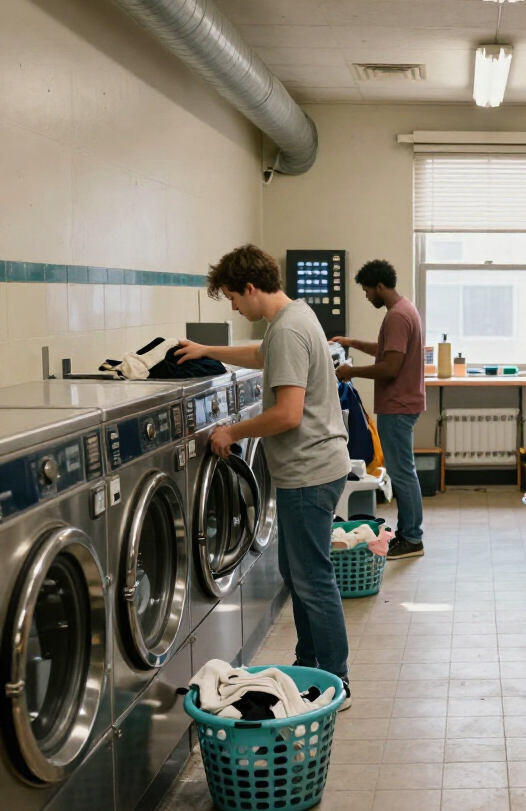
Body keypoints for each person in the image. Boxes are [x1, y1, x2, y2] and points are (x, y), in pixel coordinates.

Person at [174, 244, 354, 705]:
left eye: (235, 297)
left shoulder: (289, 329)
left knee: (311, 578)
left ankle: (337, 678)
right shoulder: (293, 318)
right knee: (301, 575)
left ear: (251, 288)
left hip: (308, 472)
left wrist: (231, 430)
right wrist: (208, 349)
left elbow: (288, 414)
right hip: (314, 467)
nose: (234, 306)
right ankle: (312, 665)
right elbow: (262, 354)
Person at [332, 259, 426, 560]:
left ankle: (412, 538)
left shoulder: (397, 317)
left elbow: (391, 366)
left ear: (380, 286)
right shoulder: (404, 309)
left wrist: (351, 371)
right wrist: (351, 343)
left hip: (397, 406)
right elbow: (387, 350)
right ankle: (410, 535)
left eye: (367, 290)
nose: (367, 296)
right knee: (404, 471)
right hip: (404, 403)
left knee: (402, 474)